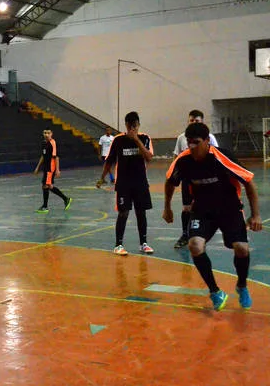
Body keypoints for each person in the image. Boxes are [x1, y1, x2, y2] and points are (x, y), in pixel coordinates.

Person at [163, 122, 262, 311]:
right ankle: (215, 291)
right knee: (195, 245)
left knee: (241, 248)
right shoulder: (183, 161)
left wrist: (255, 215)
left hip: (230, 208)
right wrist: (167, 207)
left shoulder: (221, 157)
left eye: (196, 143)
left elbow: (249, 182)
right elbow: (170, 182)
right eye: (189, 143)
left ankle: (241, 286)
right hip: (202, 210)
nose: (192, 147)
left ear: (208, 141)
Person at [97, 112, 154, 256]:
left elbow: (148, 157)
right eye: (130, 126)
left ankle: (144, 243)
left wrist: (136, 140)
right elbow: (109, 161)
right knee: (123, 212)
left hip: (140, 182)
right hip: (123, 183)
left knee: (141, 212)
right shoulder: (118, 140)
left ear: (138, 125)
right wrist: (102, 177)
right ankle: (118, 244)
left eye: (135, 126)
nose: (133, 128)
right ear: (127, 125)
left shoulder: (145, 138)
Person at [172, 110, 219, 249]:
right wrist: (176, 175)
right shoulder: (182, 138)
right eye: (191, 120)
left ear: (202, 122)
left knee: (206, 205)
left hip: (206, 179)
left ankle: (204, 232)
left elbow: (217, 154)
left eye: (197, 121)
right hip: (189, 177)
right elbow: (177, 157)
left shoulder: (209, 137)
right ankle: (185, 234)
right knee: (186, 207)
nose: (193, 123)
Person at [34, 128, 72, 214]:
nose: (46, 134)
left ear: (51, 134)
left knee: (45, 185)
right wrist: (37, 167)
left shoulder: (52, 143)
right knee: (49, 186)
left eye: (48, 133)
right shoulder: (44, 143)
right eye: (45, 133)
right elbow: (43, 156)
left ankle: (45, 206)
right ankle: (66, 199)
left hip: (50, 168)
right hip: (45, 167)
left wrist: (57, 170)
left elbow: (56, 157)